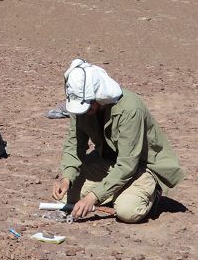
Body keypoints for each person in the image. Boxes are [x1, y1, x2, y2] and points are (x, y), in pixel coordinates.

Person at [52, 59, 184, 222]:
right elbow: (74, 145)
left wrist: (93, 197)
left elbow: (128, 164)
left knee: (127, 211)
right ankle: (117, 192)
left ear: (99, 94)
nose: (85, 112)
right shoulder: (78, 106)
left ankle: (152, 194)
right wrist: (67, 179)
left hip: (140, 168)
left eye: (88, 105)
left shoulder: (130, 108)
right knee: (65, 198)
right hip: (107, 163)